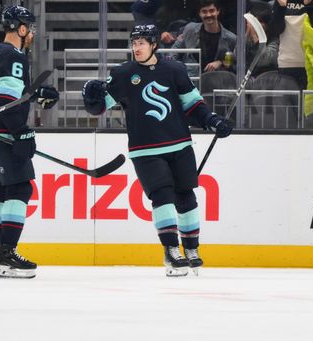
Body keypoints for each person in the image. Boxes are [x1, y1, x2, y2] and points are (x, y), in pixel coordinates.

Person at [82, 24, 233, 277]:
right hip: (145, 149)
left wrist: (212, 120)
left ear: (154, 44)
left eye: (142, 42)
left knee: (186, 197)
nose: (136, 47)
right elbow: (98, 109)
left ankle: (192, 249)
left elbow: (192, 105)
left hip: (180, 144)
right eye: (134, 43)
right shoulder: (122, 74)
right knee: (162, 196)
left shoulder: (175, 69)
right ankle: (171, 250)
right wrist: (91, 97)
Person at [0, 6, 59, 279]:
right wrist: (21, 130)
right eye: (29, 27)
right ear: (20, 28)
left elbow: (1, 93)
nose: (31, 33)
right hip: (0, 132)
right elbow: (6, 99)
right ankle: (7, 255)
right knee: (19, 189)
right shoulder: (14, 53)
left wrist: (33, 94)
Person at [172, 0, 237, 76]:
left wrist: (221, 62)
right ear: (199, 13)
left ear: (218, 11)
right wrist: (178, 69)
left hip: (218, 82)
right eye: (204, 11)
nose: (208, 15)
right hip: (191, 81)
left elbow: (236, 62)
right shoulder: (190, 29)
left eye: (211, 11)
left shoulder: (231, 38)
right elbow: (174, 51)